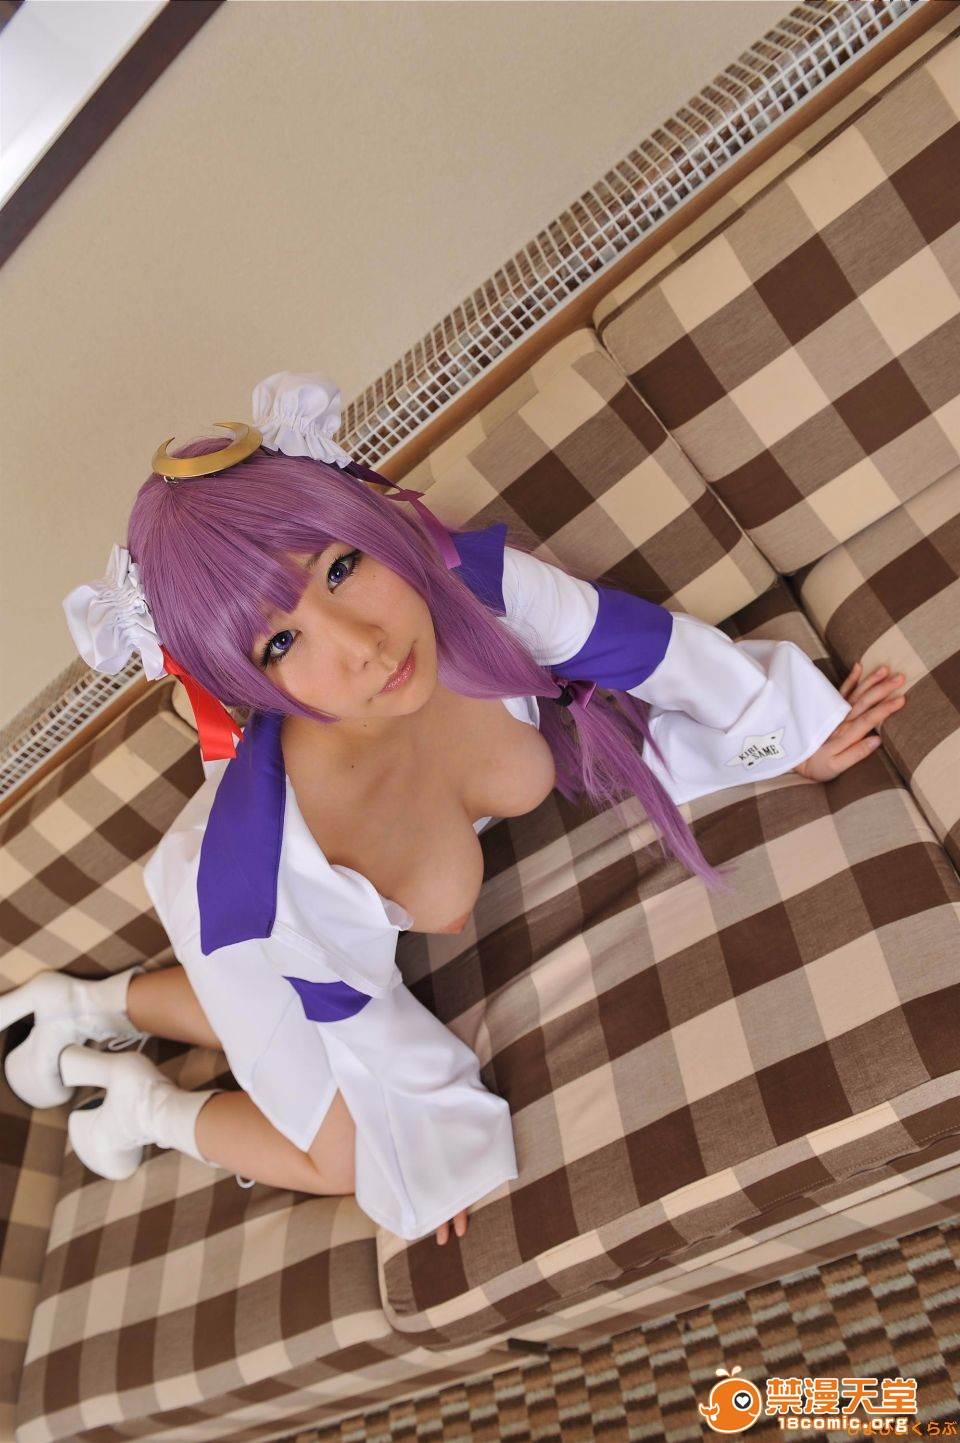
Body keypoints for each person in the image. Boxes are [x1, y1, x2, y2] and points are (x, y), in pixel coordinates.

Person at [0, 373, 908, 1247]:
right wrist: (441, 1156)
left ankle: (82, 1003)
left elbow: (642, 648)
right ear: (244, 681)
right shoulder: (282, 862)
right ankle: (143, 1106)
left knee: (276, 1045)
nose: (363, 643)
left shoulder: (480, 590)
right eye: (280, 642)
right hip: (242, 927)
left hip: (316, 936)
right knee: (344, 1156)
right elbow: (361, 1021)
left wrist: (784, 728)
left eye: (342, 566)